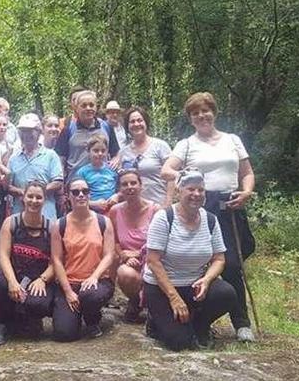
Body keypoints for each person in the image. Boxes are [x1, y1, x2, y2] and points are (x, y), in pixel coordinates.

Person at [161, 92, 257, 342]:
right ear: (190, 119)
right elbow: (166, 170)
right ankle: (204, 317)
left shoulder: (232, 140)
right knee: (202, 263)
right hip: (200, 206)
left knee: (233, 264)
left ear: (214, 112)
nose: (201, 116)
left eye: (205, 111)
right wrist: (187, 174)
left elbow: (246, 172)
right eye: (195, 113)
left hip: (231, 205)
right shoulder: (187, 144)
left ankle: (241, 323)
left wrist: (246, 192)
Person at [144, 170, 237, 350]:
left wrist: (207, 279)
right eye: (191, 189)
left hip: (194, 286)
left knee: (226, 293)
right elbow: (153, 261)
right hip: (163, 288)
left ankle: (200, 327)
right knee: (179, 343)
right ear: (179, 190)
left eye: (201, 190)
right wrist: (174, 298)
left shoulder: (210, 220)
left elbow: (219, 259)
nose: (196, 194)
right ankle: (155, 321)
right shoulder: (164, 218)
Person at [0, 182, 58, 347]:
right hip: (14, 277)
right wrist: (12, 282)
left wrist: (43, 280)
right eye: (30, 196)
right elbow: (3, 254)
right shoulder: (11, 223)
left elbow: (56, 261)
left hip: (37, 280)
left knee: (38, 304)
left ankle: (25, 320)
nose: (34, 201)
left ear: (44, 200)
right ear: (23, 198)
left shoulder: (51, 227)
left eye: (38, 197)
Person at [49, 178, 116, 341]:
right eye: (75, 192)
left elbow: (109, 255)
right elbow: (56, 260)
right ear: (68, 196)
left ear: (89, 194)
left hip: (98, 281)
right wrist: (68, 292)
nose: (80, 195)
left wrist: (94, 277)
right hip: (71, 282)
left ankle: (92, 319)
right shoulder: (60, 224)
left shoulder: (103, 222)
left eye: (85, 191)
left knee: (89, 296)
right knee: (64, 334)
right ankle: (74, 314)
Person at [108, 169, 157, 323]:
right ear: (119, 189)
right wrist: (123, 256)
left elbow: (161, 242)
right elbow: (113, 240)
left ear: (141, 185)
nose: (130, 187)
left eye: (133, 183)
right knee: (124, 273)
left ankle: (154, 304)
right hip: (129, 262)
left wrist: (138, 254)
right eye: (124, 184)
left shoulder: (155, 210)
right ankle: (136, 302)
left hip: (153, 262)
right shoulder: (115, 211)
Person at [7, 113, 63, 219]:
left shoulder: (50, 155)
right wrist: (21, 192)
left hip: (46, 214)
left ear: (39, 132)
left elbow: (58, 182)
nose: (26, 135)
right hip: (20, 215)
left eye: (30, 131)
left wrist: (37, 192)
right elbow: (8, 186)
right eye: (23, 131)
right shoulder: (13, 158)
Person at [54, 90, 119, 178]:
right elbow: (60, 158)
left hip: (102, 182)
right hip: (76, 184)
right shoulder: (68, 129)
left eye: (91, 105)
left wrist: (116, 159)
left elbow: (116, 152)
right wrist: (60, 180)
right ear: (77, 108)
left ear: (96, 107)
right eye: (84, 105)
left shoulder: (106, 127)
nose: (88, 108)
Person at [118, 107, 172, 205]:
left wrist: (167, 203)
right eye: (132, 121)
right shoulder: (123, 153)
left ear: (146, 122)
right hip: (133, 208)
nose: (136, 124)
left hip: (159, 205)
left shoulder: (160, 146)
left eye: (140, 120)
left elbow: (171, 177)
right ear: (127, 126)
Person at [74, 134, 119, 213]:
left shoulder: (112, 169)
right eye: (96, 150)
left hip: (113, 210)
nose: (100, 153)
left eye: (103, 150)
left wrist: (117, 196)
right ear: (88, 151)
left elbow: (121, 189)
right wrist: (93, 204)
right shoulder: (82, 172)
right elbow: (76, 197)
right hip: (92, 212)